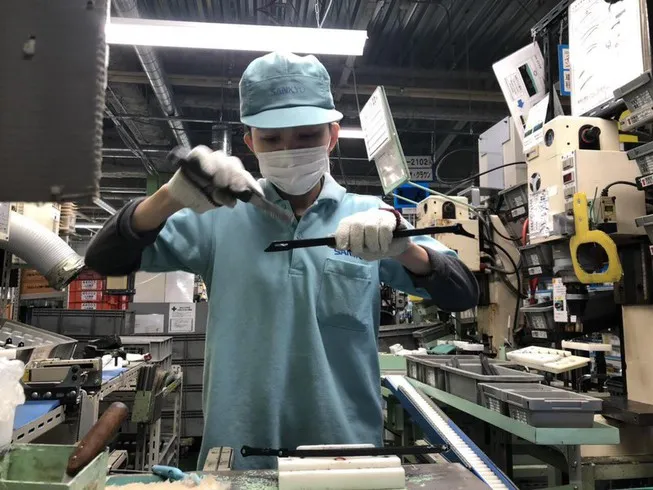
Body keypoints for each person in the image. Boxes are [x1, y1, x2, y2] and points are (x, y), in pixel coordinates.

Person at [86, 51, 479, 470]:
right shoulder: (217, 217)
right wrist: (168, 197)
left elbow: (462, 294)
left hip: (345, 454)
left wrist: (405, 248)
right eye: (272, 140)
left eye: (306, 135)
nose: (289, 151)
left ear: (332, 135)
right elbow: (103, 258)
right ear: (250, 142)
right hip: (239, 453)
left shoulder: (370, 216)